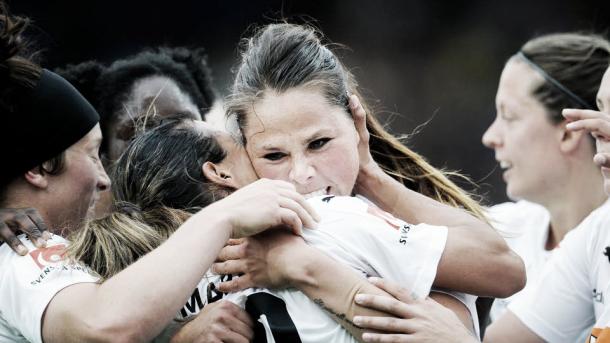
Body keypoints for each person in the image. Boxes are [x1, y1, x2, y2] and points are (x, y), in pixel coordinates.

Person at [0, 6, 316, 343]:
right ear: (37, 169)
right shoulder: (21, 252)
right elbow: (101, 330)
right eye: (93, 154)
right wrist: (223, 215)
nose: (103, 177)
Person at [66, 113, 523, 342]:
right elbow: (503, 271)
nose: (297, 175)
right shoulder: (324, 217)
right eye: (258, 152)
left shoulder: (138, 283)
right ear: (219, 174)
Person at [481, 32, 610, 324]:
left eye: (509, 116)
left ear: (568, 131)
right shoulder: (499, 232)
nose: (490, 137)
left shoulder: (600, 241)